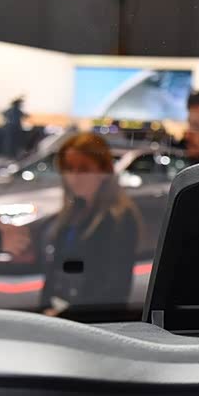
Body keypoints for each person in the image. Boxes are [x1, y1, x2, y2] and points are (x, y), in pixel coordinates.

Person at [40, 133, 142, 317]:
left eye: (84, 169)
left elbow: (113, 288)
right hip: (59, 313)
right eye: (69, 168)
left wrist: (64, 316)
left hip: (91, 322)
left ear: (103, 172)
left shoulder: (119, 218)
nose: (74, 177)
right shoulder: (72, 212)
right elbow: (55, 271)